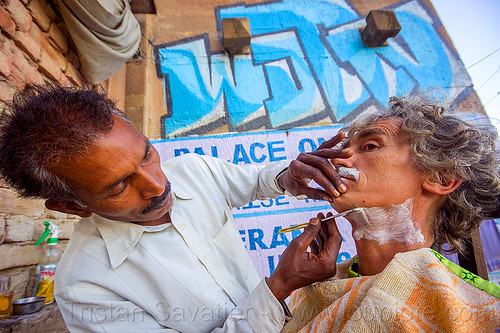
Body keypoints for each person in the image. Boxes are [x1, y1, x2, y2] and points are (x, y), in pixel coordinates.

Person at [0, 83, 349, 332]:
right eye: (119, 186)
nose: (157, 184)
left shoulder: (192, 170)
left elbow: (257, 180)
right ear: (71, 206)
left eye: (148, 155)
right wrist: (280, 286)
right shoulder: (86, 286)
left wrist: (287, 176)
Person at [272, 90, 500, 332]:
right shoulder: (306, 296)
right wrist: (280, 286)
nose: (337, 161)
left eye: (370, 146)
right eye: (343, 150)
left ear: (440, 178)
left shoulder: (487, 313)